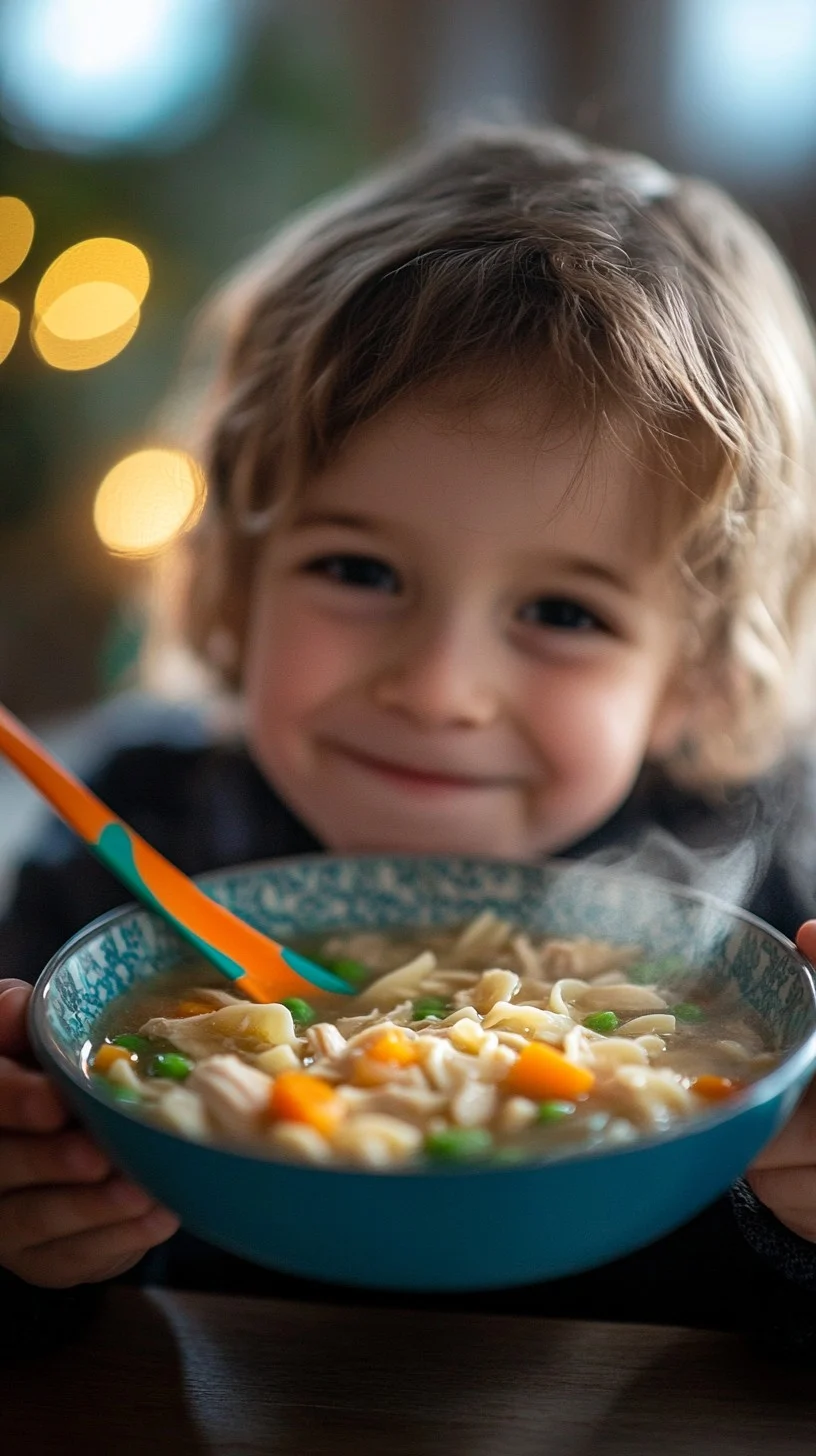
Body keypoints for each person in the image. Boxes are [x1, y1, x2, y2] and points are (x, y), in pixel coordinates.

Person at [3, 121, 816, 1357]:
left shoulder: (770, 906)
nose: (439, 688)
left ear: (694, 678)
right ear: (233, 584)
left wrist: (800, 1231)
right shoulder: (111, 857)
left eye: (561, 612)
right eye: (358, 569)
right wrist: (31, 1243)